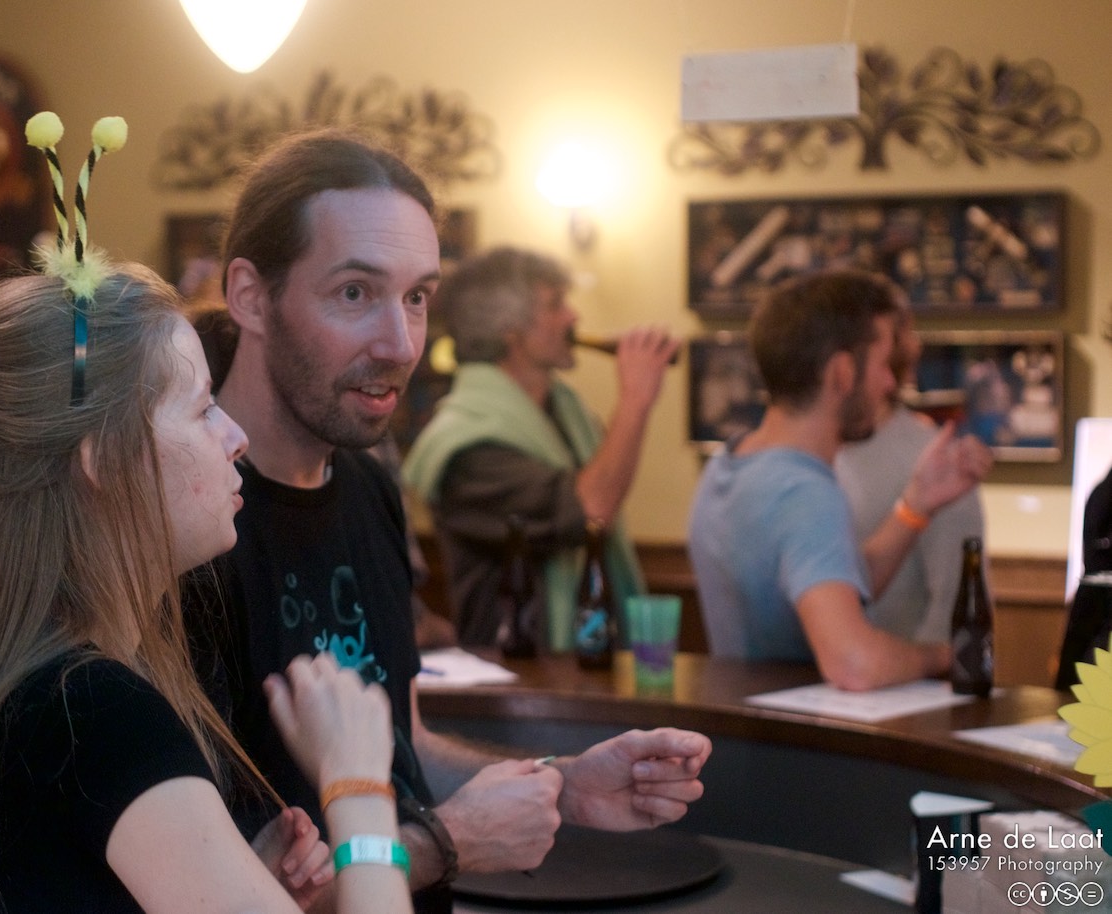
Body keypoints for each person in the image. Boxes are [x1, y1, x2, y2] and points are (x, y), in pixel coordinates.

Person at [0, 113, 413, 914]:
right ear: (104, 457)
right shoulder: (97, 714)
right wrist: (359, 790)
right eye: (200, 409)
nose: (234, 437)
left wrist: (240, 875)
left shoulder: (36, 680)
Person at [185, 128, 712, 914]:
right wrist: (443, 842)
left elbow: (405, 749)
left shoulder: (367, 487)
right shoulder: (182, 519)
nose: (400, 344)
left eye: (416, 297)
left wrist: (561, 783)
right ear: (250, 296)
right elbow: (205, 896)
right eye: (354, 293)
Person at [687, 269, 995, 691]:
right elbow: (854, 664)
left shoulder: (726, 466)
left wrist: (916, 505)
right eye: (884, 364)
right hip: (795, 733)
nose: (891, 382)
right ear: (842, 373)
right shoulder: (806, 493)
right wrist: (945, 655)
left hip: (738, 723)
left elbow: (828, 578)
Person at [400, 246, 677, 649]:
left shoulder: (567, 413)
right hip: (517, 669)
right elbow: (591, 509)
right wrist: (636, 399)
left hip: (589, 658)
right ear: (508, 329)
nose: (574, 317)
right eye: (555, 304)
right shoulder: (466, 445)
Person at [834, 282, 986, 645]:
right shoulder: (803, 460)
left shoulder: (934, 458)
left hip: (902, 677)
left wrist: (926, 668)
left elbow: (953, 607)